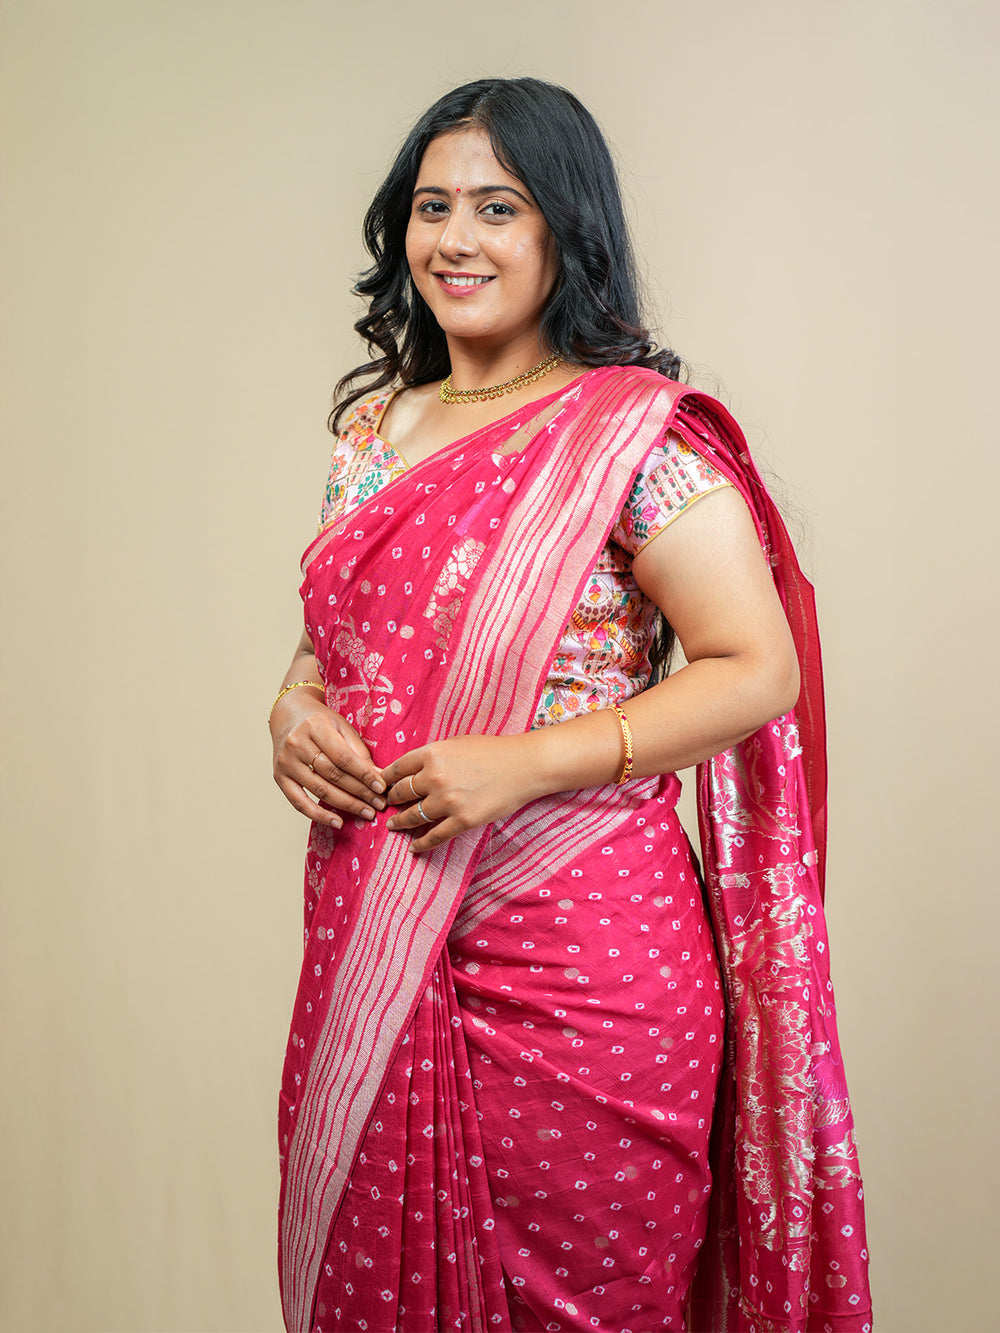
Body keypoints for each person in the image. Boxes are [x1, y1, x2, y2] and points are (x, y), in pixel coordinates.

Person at [269, 78, 872, 1333]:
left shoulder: (635, 437)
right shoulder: (372, 433)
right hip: (375, 931)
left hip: (583, 959)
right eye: (432, 207)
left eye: (498, 207)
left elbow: (754, 666)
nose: (456, 239)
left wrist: (524, 764)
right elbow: (344, 638)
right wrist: (292, 708)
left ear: (564, 229)